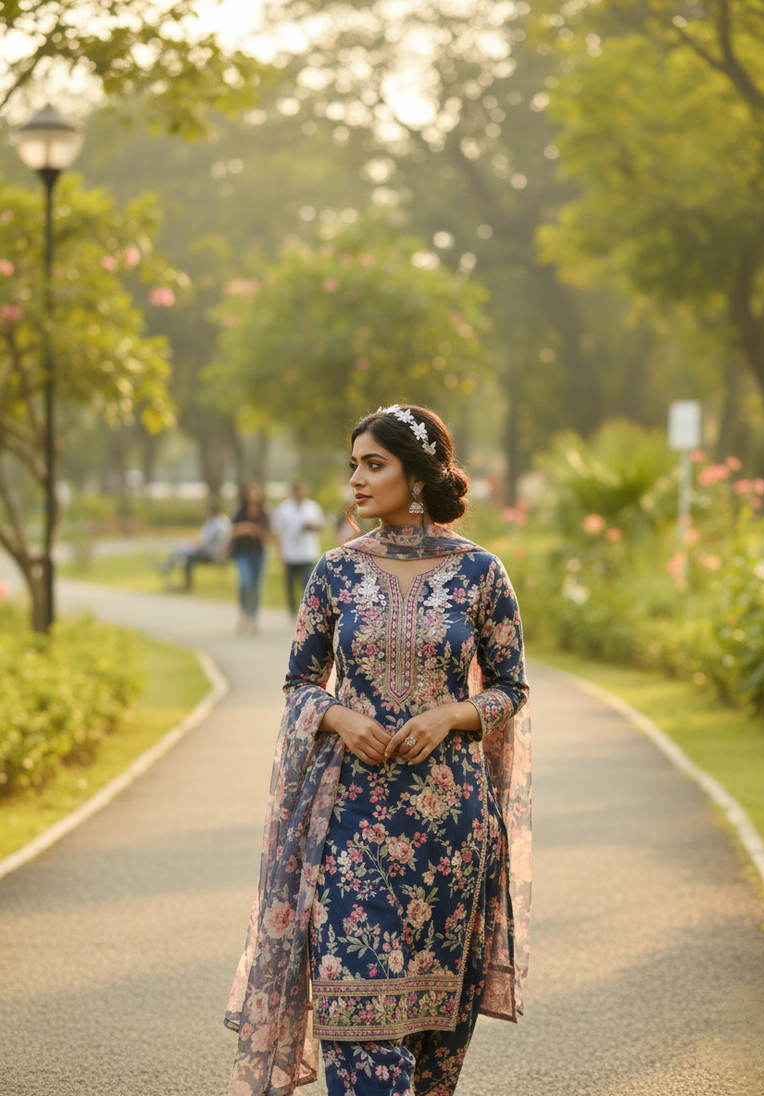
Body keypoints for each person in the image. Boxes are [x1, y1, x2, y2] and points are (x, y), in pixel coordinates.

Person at [225, 405, 531, 1096]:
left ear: (416, 476)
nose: (356, 479)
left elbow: (511, 687)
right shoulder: (335, 572)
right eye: (354, 464)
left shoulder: (480, 573)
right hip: (351, 817)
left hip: (451, 826)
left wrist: (454, 714)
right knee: (356, 1011)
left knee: (431, 1039)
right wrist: (336, 715)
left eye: (374, 464)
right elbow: (298, 681)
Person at [271, 482, 326, 615]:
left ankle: (306, 609)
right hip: (290, 553)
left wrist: (311, 526)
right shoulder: (283, 509)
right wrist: (280, 553)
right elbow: (276, 531)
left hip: (307, 552)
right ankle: (292, 609)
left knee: (307, 583)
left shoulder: (312, 507)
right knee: (290, 585)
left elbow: (321, 526)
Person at [159, 501, 230, 590]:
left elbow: (204, 542)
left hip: (212, 554)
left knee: (183, 551)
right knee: (181, 547)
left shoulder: (217, 524)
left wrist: (193, 544)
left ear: (212, 511)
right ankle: (170, 571)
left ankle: (165, 569)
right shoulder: (219, 521)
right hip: (209, 551)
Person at [229, 482, 271, 633]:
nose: (254, 495)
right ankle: (243, 614)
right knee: (245, 583)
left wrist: (260, 533)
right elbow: (231, 531)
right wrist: (245, 528)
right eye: (251, 492)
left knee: (256, 586)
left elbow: (268, 535)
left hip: (258, 553)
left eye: (256, 492)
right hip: (242, 553)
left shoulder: (263, 512)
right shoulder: (239, 511)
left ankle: (253, 617)